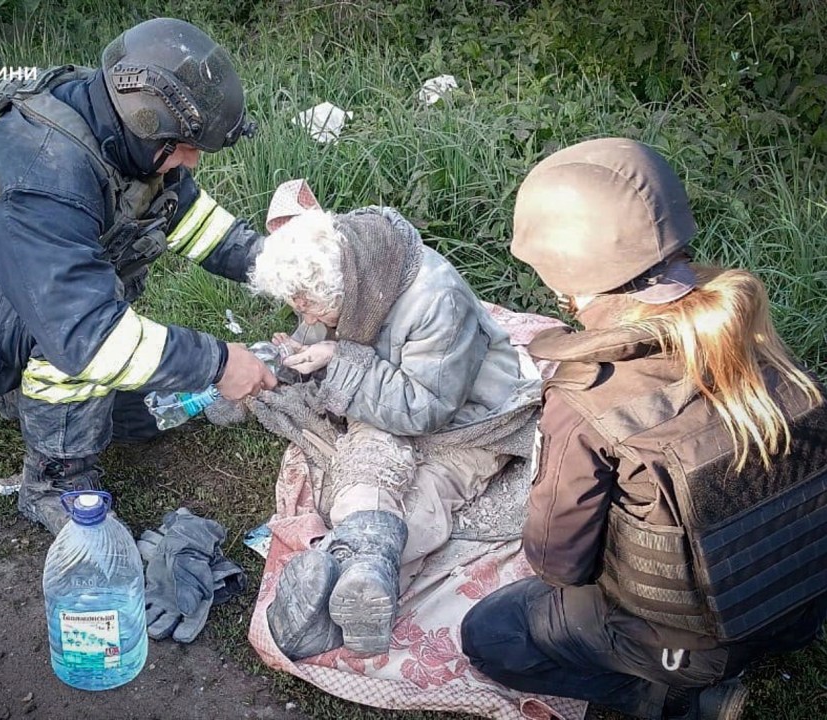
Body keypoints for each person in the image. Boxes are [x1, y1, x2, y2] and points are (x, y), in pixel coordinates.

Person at [0, 18, 277, 535]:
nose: (193, 161)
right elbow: (86, 335)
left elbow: (186, 215)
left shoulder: (106, 119)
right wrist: (219, 363)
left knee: (127, 403)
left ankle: (14, 386)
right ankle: (54, 481)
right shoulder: (43, 173)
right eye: (185, 146)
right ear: (144, 120)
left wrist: (281, 267)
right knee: (79, 332)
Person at [460, 138, 827, 720]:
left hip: (697, 646)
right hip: (798, 605)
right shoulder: (749, 331)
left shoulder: (587, 398)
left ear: (559, 274)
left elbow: (558, 564)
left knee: (491, 633)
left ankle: (670, 700)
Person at [236, 205, 542, 660]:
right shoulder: (346, 275)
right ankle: (361, 579)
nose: (303, 314)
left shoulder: (436, 299)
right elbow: (328, 330)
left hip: (468, 421)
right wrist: (294, 355)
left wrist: (338, 360)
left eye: (307, 304)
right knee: (367, 461)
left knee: (432, 489)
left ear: (345, 291)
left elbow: (425, 408)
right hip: (383, 402)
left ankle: (334, 588)